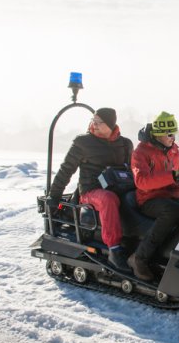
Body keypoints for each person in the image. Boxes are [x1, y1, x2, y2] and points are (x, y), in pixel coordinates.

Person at [48, 108, 134, 270]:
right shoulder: (83, 143)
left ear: (110, 125)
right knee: (108, 199)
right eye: (93, 120)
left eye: (98, 122)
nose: (93, 125)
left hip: (120, 187)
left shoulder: (125, 144)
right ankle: (114, 250)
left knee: (136, 198)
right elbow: (66, 170)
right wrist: (54, 197)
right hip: (91, 191)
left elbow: (133, 169)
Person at [129, 111, 179, 281]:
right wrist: (173, 176)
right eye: (169, 134)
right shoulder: (140, 152)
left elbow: (178, 174)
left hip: (170, 196)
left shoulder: (173, 150)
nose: (173, 138)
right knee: (171, 210)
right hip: (149, 199)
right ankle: (139, 258)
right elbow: (142, 181)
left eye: (174, 133)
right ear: (159, 133)